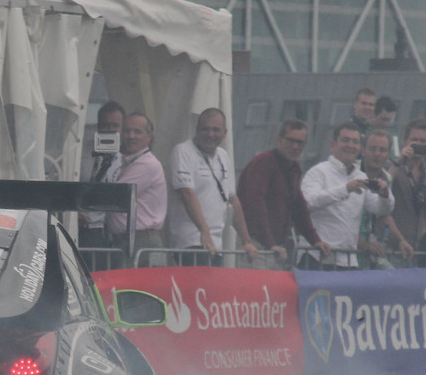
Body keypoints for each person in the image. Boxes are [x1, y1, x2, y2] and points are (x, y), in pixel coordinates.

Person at [167, 108, 259, 265]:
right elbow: (187, 194)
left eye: (216, 130)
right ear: (197, 130)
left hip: (216, 244)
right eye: (206, 129)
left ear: (225, 133)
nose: (210, 134)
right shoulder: (183, 151)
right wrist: (204, 231)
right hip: (191, 242)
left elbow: (233, 199)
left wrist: (246, 241)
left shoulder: (223, 155)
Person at [235, 118, 330, 265]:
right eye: (291, 141)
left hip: (276, 247)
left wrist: (315, 240)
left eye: (300, 143)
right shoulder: (263, 163)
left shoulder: (294, 169)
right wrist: (270, 243)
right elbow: (254, 206)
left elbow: (299, 207)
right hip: (256, 244)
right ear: (279, 139)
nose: (295, 147)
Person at [300, 123, 392, 269]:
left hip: (348, 260)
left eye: (355, 142)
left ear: (360, 148)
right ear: (333, 144)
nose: (350, 145)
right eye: (345, 140)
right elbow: (306, 203)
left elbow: (381, 209)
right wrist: (345, 189)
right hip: (316, 257)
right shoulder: (318, 172)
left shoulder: (361, 176)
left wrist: (385, 195)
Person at [384, 119, 426, 265]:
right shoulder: (392, 165)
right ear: (405, 142)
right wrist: (400, 160)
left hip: (418, 248)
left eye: (422, 141)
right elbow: (383, 187)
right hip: (393, 246)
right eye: (414, 140)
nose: (418, 144)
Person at [103, 112, 166, 252]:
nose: (131, 136)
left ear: (149, 137)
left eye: (137, 132)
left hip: (141, 241)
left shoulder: (146, 164)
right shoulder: (128, 162)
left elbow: (114, 196)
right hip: (128, 240)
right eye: (127, 131)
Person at [78, 101, 125, 249]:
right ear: (98, 126)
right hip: (79, 226)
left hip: (105, 230)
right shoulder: (81, 152)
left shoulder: (125, 160)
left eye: (115, 126)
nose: (109, 130)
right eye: (105, 125)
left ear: (122, 129)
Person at [357, 129, 396, 267]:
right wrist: (363, 244)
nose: (377, 154)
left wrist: (401, 240)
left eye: (383, 150)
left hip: (370, 249)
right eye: (372, 149)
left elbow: (385, 214)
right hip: (349, 249)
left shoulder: (387, 178)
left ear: (389, 154)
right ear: (363, 150)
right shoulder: (352, 173)